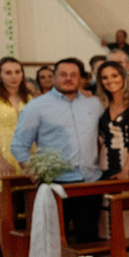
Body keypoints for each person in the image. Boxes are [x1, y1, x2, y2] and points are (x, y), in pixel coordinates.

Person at [11, 58, 103, 243]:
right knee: (54, 242)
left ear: (81, 78)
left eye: (73, 75)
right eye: (63, 74)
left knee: (90, 239)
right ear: (53, 77)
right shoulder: (36, 107)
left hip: (90, 182)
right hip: (56, 184)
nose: (68, 78)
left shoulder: (94, 104)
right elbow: (19, 146)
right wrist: (34, 174)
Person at [95, 62, 129, 181]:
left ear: (123, 77)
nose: (110, 81)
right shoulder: (101, 103)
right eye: (105, 78)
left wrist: (126, 170)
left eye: (114, 76)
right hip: (105, 169)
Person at [0, 57, 32, 193]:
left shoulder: (29, 98)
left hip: (28, 158)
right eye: (8, 73)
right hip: (2, 158)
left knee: (33, 208)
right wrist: (0, 161)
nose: (14, 77)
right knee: (8, 210)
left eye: (17, 72)